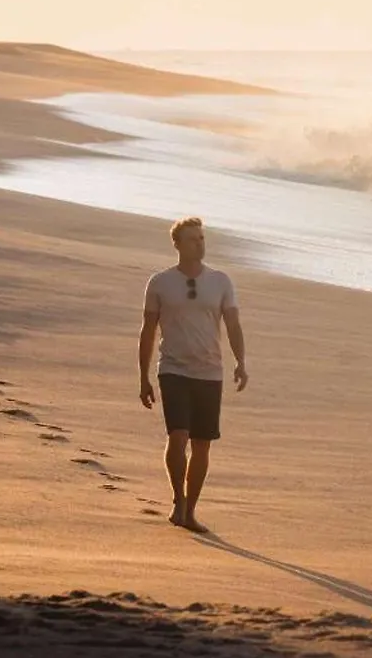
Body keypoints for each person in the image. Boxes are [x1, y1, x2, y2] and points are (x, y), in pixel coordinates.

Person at [137, 217, 248, 533]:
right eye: (192, 239)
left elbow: (233, 325)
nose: (199, 244)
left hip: (210, 372)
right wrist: (143, 376)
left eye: (201, 238)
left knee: (202, 445)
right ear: (177, 244)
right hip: (173, 368)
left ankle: (191, 510)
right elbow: (147, 331)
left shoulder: (221, 281)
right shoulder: (160, 282)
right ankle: (178, 501)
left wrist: (241, 361)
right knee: (178, 435)